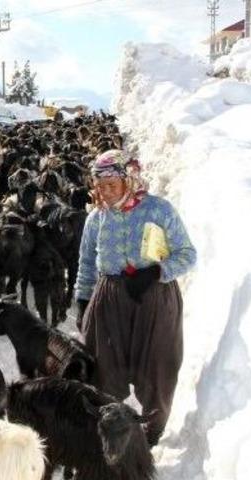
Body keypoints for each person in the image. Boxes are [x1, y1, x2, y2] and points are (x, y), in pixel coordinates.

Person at [74, 148, 197, 447]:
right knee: (102, 371)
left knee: (157, 370)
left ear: (128, 179)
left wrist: (155, 273)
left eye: (111, 185)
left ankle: (148, 438)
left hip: (154, 299)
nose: (104, 193)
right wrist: (82, 299)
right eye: (99, 186)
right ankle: (108, 436)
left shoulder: (159, 210)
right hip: (109, 299)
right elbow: (87, 262)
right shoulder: (96, 219)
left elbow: (188, 255)